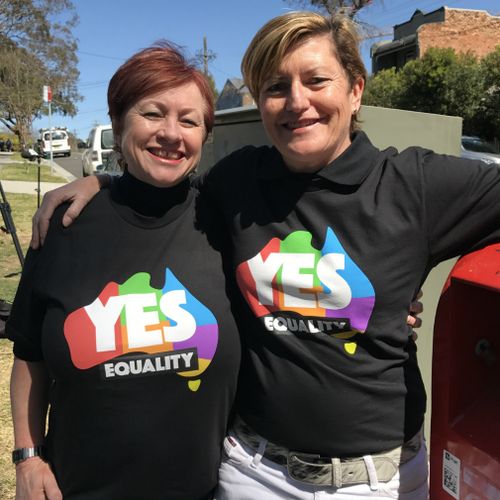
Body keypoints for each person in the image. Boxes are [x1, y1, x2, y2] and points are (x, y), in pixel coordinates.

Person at [29, 12, 477, 500]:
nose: (297, 102)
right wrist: (106, 182)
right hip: (252, 472)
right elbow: (160, 188)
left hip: (378, 482)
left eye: (317, 80)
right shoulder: (236, 184)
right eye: (276, 87)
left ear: (355, 91)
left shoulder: (418, 184)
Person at [7, 42, 241, 500]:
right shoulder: (64, 225)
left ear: (204, 135)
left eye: (189, 121)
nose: (171, 134)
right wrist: (27, 457)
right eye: (152, 114)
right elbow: (29, 354)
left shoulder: (227, 223)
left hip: (207, 491)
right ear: (118, 123)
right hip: (78, 488)